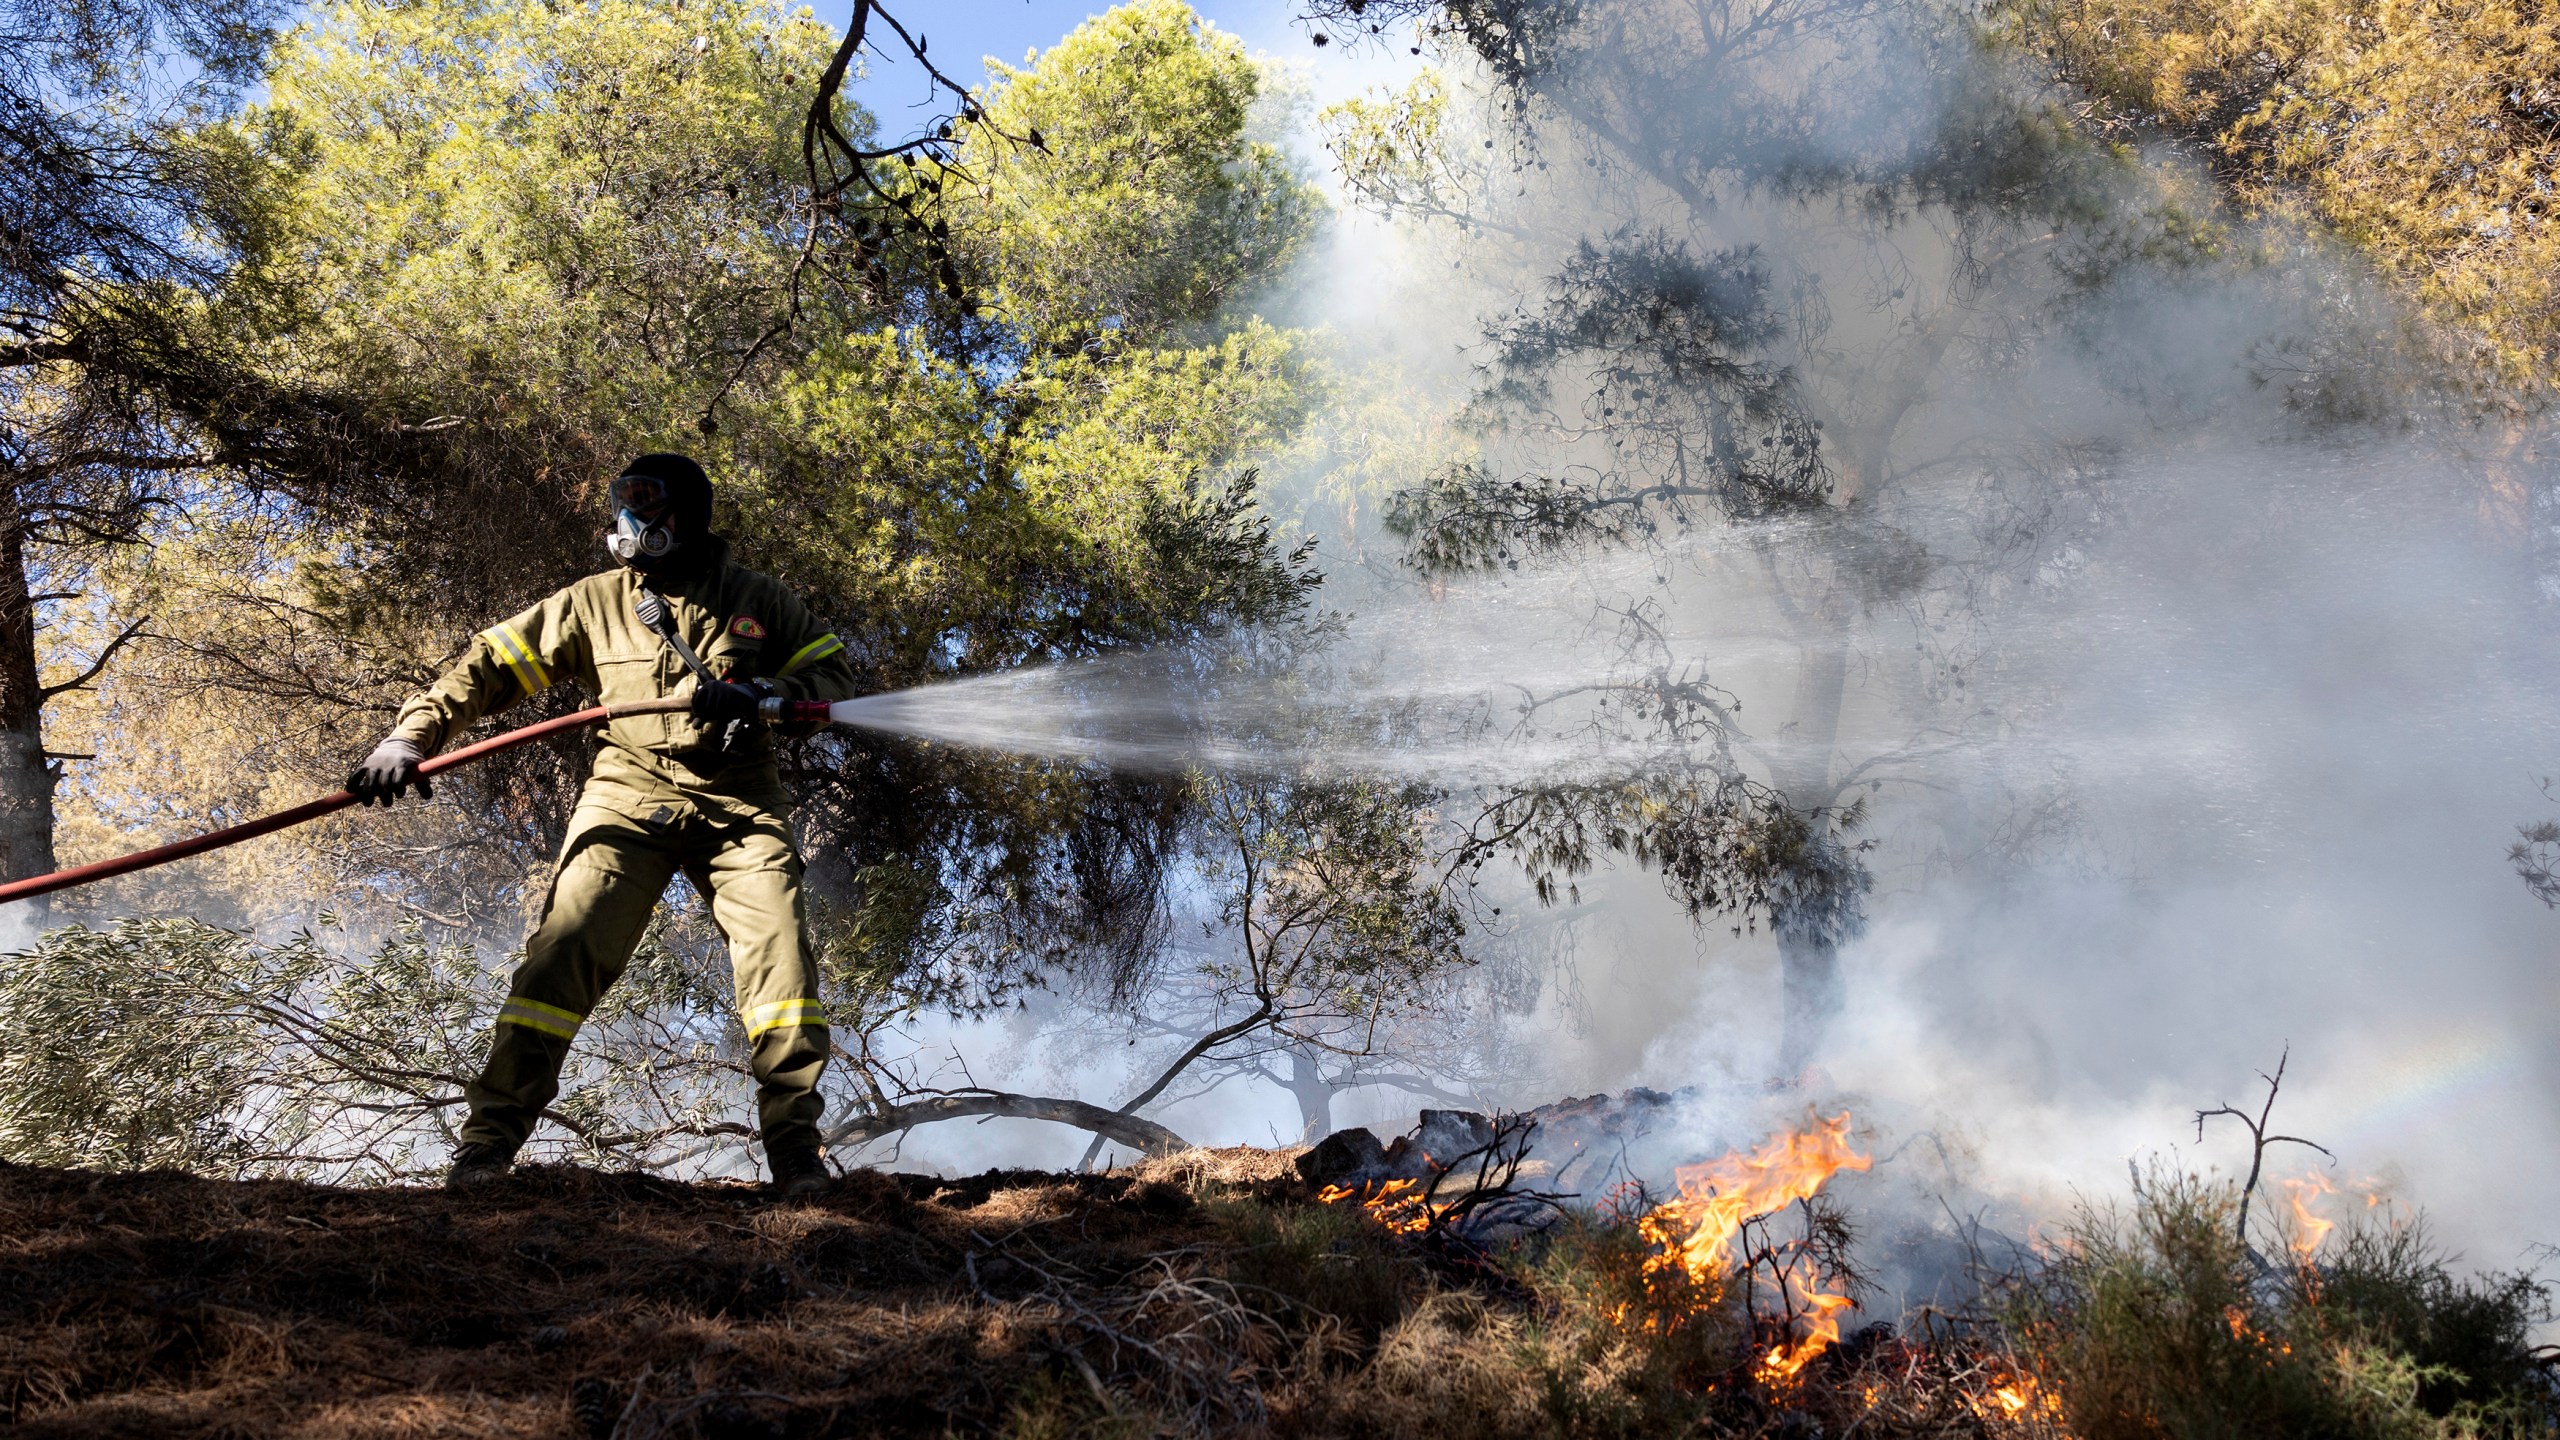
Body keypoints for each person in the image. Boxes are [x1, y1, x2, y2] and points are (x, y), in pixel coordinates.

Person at [346, 453, 859, 1195]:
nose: (631, 521)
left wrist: (767, 691)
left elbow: (833, 677)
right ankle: (485, 1153)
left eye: (647, 505)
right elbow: (490, 664)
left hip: (741, 803)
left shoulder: (756, 598)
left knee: (779, 958)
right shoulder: (593, 602)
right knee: (564, 952)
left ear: (688, 514)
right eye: (625, 504)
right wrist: (409, 738)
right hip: (627, 794)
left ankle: (794, 1156)